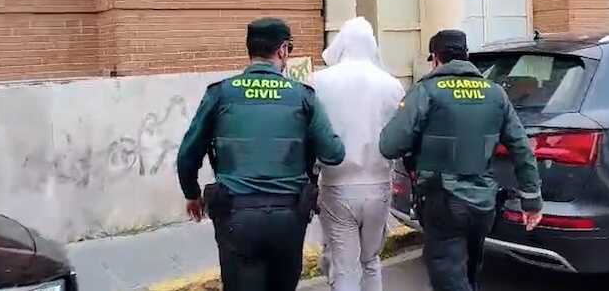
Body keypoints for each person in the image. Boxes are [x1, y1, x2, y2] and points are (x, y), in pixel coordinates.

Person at [176, 17, 346, 291]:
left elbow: (188, 153)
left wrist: (192, 194)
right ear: (282, 50)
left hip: (236, 217)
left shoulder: (221, 93)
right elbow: (334, 153)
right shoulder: (303, 96)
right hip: (288, 218)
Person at [379, 29, 543, 291]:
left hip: (443, 201)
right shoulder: (495, 93)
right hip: (484, 204)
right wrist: (532, 200)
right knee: (468, 274)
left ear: (435, 58)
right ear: (466, 55)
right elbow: (521, 148)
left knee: (449, 277)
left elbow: (389, 145)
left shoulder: (426, 91)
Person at [311, 17, 405, 291]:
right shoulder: (392, 85)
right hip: (378, 184)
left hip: (336, 185)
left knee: (345, 268)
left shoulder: (318, 82)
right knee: (371, 261)